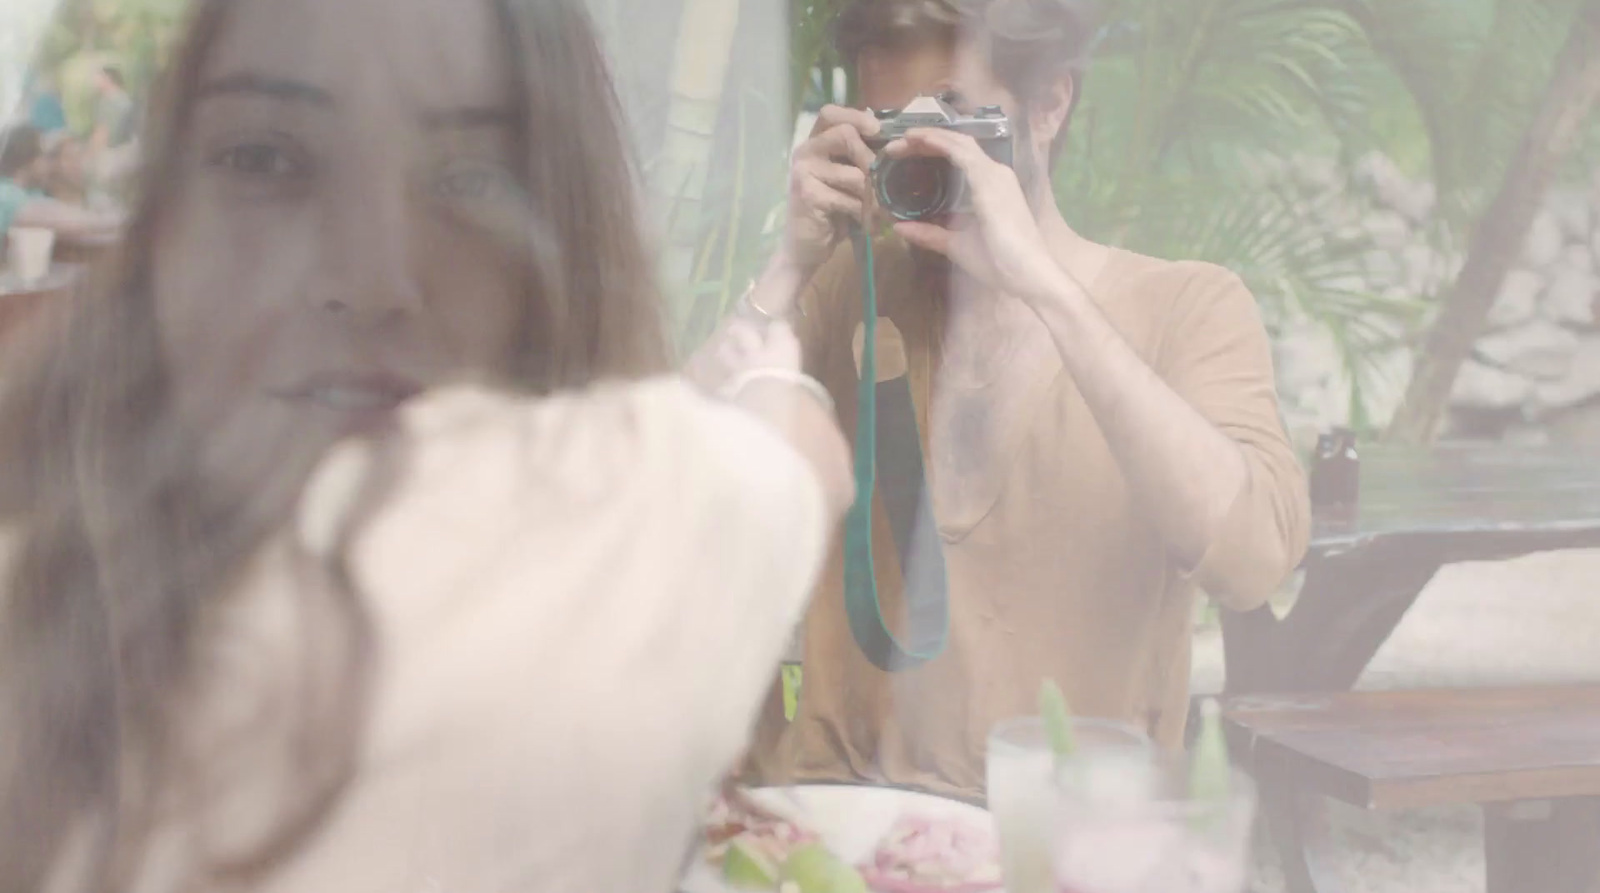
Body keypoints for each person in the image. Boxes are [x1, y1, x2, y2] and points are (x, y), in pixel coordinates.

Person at [0, 1, 849, 892]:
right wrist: (770, 375)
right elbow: (790, 454)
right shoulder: (632, 533)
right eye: (268, 160)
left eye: (468, 178)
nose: (372, 279)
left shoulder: (51, 551)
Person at [741, 0, 1311, 797]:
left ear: (1049, 105)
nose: (928, 155)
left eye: (957, 121)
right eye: (894, 129)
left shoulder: (1188, 307)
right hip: (852, 833)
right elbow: (662, 490)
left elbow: (1251, 561)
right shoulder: (849, 290)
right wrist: (785, 269)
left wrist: (1045, 287)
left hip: (1068, 838)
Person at [0, 124, 122, 244]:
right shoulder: (7, 196)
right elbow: (66, 221)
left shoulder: (31, 192)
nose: (49, 164)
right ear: (29, 158)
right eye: (44, 155)